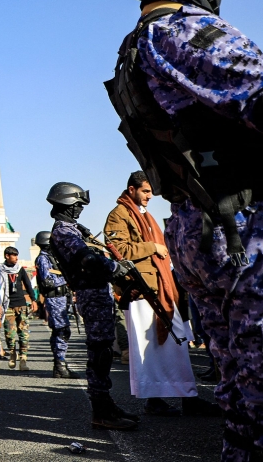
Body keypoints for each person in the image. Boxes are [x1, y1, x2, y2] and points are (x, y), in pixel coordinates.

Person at [108, 0, 263, 458]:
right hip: (241, 225)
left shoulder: (138, 44)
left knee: (244, 386)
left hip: (204, 222)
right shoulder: (185, 31)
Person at [104, 171, 219, 417]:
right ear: (132, 189)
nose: (149, 196)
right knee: (151, 351)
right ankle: (161, 401)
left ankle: (184, 398)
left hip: (162, 289)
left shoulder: (144, 215)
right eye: (145, 191)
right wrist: (152, 247)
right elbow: (118, 249)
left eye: (150, 191)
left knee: (173, 346)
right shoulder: (119, 215)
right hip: (143, 291)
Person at [46, 182, 137, 430]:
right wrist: (115, 268)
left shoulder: (72, 229)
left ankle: (106, 405)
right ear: (67, 205)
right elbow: (87, 259)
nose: (79, 211)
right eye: (77, 206)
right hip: (90, 293)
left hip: (95, 291)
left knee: (104, 349)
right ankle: (101, 410)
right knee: (100, 351)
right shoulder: (64, 232)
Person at [34, 231, 79, 379]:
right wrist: (65, 279)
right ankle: (60, 364)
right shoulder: (43, 259)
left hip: (61, 298)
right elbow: (47, 281)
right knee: (62, 331)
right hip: (54, 299)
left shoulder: (50, 257)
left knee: (60, 331)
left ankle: (59, 365)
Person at [0, 247, 36, 371]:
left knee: (23, 333)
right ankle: (12, 353)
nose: (16, 258)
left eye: (17, 255)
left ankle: (23, 359)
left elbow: (28, 285)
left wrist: (33, 300)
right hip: (7, 305)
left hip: (21, 304)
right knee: (9, 334)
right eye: (14, 255)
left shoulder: (20, 270)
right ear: (7, 256)